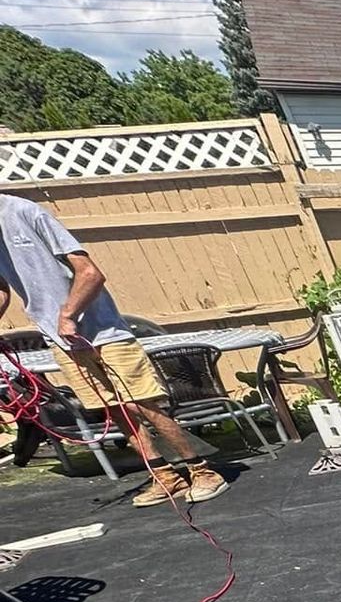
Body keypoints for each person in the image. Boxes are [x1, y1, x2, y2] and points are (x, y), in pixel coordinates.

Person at [0, 193, 224, 505]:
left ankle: (203, 471)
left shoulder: (25, 212)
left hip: (104, 332)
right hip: (61, 340)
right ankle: (165, 476)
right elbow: (2, 289)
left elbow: (90, 272)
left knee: (142, 404)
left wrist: (67, 314)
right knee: (114, 408)